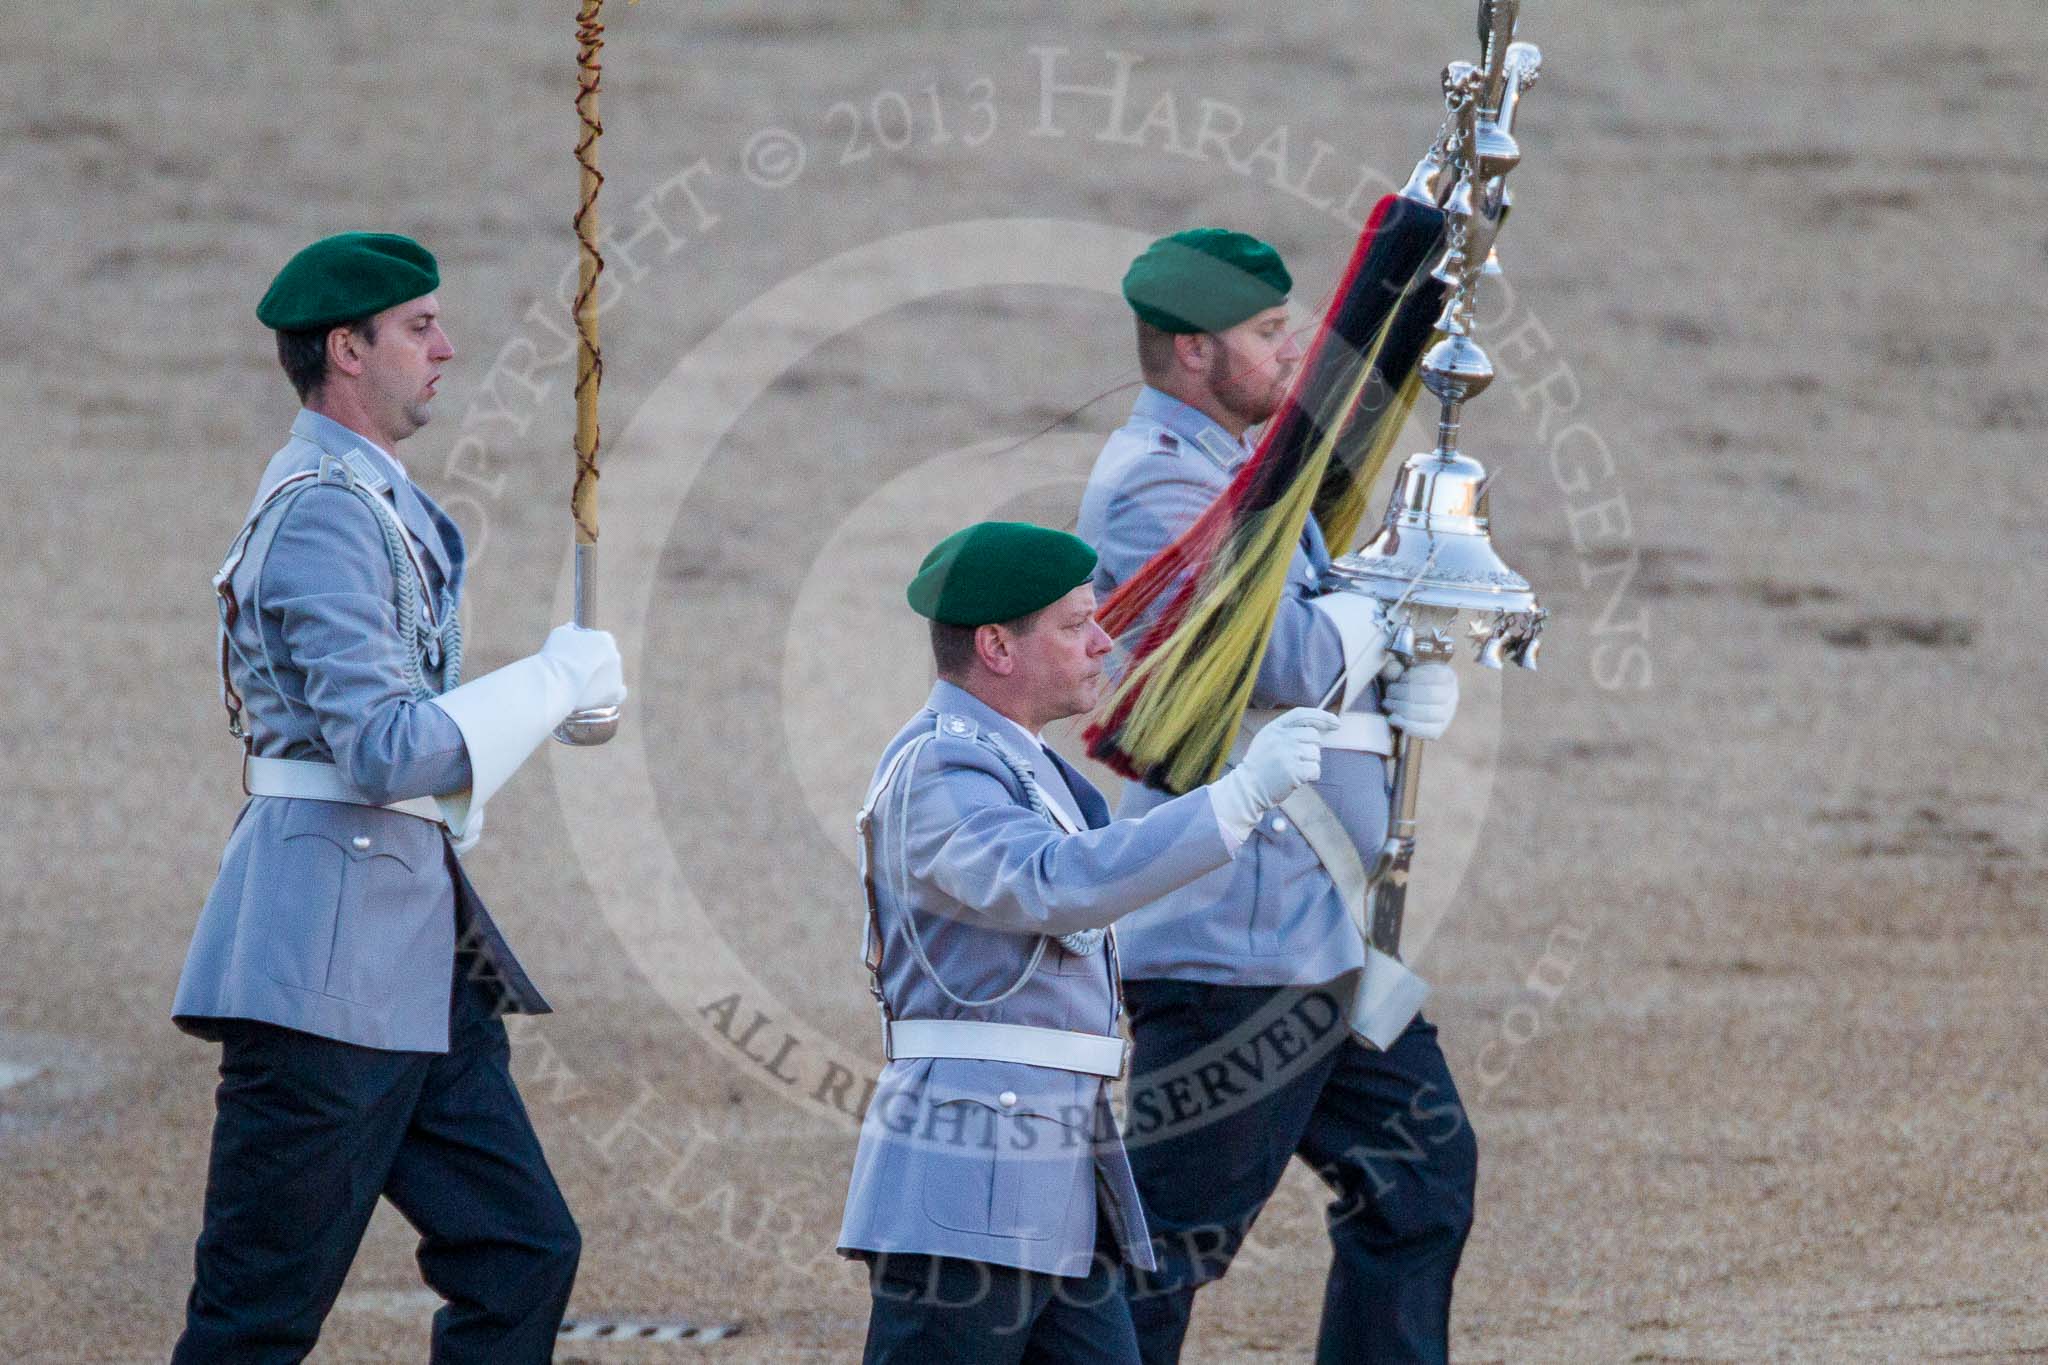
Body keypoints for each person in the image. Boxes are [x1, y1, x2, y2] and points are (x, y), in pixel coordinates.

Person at [169, 231, 627, 1364]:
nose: (446, 348)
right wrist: (544, 681)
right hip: (324, 972)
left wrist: (546, 703)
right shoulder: (326, 510)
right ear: (345, 349)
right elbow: (379, 751)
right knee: (254, 1322)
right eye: (419, 327)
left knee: (521, 1251)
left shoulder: (371, 497)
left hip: (412, 957)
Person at [1075, 228, 1474, 1365]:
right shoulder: (1156, 485)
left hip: (1313, 935)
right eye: (1264, 332)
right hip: (1233, 948)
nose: (1292, 349)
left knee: (1420, 1181)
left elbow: (1304, 659)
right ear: (1193, 351)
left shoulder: (1240, 474)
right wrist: (1393, 624)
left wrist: (1392, 686)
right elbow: (1287, 659)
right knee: (1162, 1253)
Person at [837, 520, 1338, 1364]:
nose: (1104, 639)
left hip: (1054, 1171)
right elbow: (1050, 882)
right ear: (996, 645)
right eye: (1075, 624)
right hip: (970, 1171)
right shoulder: (937, 769)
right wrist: (1237, 797)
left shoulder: (1032, 773)